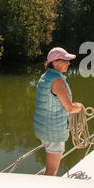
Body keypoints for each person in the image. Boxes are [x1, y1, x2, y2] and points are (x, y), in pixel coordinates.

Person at [33, 47, 82, 176]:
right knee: (52, 171)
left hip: (43, 129)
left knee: (49, 167)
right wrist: (79, 108)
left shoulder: (45, 76)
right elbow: (70, 108)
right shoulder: (57, 81)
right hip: (53, 132)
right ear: (55, 62)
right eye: (65, 60)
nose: (69, 63)